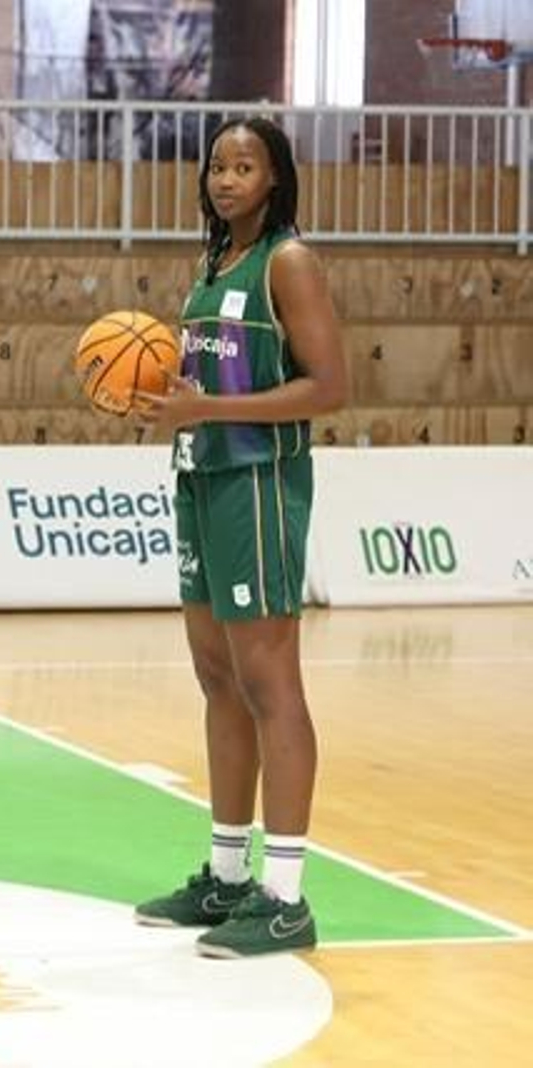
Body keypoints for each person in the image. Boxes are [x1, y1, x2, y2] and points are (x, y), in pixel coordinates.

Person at [132, 116, 348, 958]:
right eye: (218, 165)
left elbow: (328, 388)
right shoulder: (213, 262)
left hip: (258, 483)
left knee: (269, 683)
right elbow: (212, 379)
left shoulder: (286, 263)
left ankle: (286, 897)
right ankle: (227, 877)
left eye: (245, 165)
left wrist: (208, 409)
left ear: (275, 178)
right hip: (202, 474)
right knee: (217, 676)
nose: (227, 179)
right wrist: (161, 399)